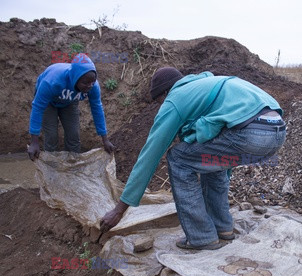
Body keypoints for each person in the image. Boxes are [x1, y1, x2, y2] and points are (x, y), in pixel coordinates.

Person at [100, 67, 286, 250]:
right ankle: (222, 227)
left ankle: (201, 236)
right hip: (277, 131)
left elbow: (150, 155)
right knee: (209, 160)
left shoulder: (176, 98)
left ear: (166, 92)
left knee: (178, 158)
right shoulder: (205, 87)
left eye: (159, 101)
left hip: (251, 133)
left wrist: (119, 209)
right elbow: (223, 158)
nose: (161, 106)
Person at [27, 53, 115, 160]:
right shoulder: (52, 81)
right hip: (49, 103)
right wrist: (34, 142)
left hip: (69, 102)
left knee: (74, 135)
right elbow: (38, 107)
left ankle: (72, 166)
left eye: (92, 82)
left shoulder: (93, 86)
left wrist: (105, 139)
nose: (89, 86)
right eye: (85, 83)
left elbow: (97, 109)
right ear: (75, 78)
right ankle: (52, 170)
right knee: (51, 136)